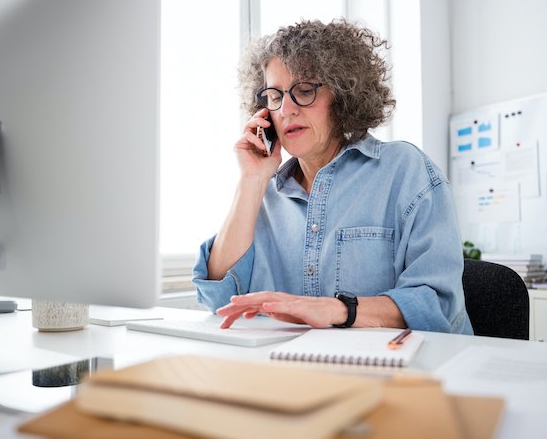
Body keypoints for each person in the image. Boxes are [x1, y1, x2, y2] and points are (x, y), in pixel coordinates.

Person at [192, 19, 472, 334]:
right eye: (274, 96)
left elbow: (438, 303)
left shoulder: (406, 171)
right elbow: (219, 299)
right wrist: (251, 181)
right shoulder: (261, 192)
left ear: (341, 95)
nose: (286, 109)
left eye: (304, 90)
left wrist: (339, 310)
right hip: (296, 373)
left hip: (400, 372)